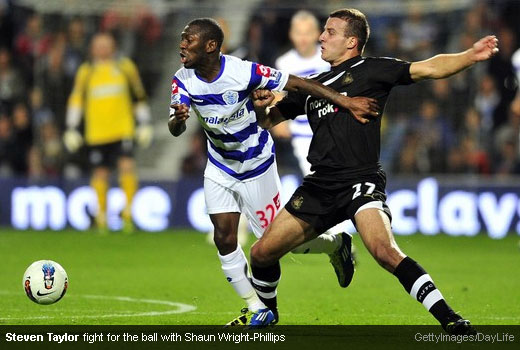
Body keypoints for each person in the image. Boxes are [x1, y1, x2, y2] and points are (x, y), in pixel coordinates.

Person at [249, 8, 498, 332]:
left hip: (359, 180)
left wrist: (469, 55)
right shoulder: (314, 86)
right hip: (319, 185)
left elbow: (429, 68)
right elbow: (269, 120)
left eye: (330, 32)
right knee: (260, 254)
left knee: (384, 251)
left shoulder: (373, 70)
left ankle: (450, 320)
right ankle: (268, 318)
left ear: (352, 41)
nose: (321, 38)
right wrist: (260, 105)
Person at [168, 18, 377, 326]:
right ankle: (258, 309)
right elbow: (175, 127)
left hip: (257, 166)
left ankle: (336, 244)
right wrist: (179, 119)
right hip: (220, 166)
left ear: (210, 46)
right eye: (182, 39)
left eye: (189, 40)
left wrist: (345, 101)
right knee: (224, 238)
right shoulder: (182, 79)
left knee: (271, 244)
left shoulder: (243, 71)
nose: (182, 45)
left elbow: (299, 84)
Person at [274, 10, 357, 263]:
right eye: (297, 32)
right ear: (291, 35)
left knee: (342, 174)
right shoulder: (284, 63)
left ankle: (344, 229)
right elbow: (279, 95)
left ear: (317, 34)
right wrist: (277, 120)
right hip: (302, 135)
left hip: (332, 128)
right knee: (319, 178)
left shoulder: (327, 60)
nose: (302, 37)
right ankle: (340, 233)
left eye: (306, 32)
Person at [64, 32, 153, 233]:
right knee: (100, 173)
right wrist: (71, 127)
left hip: (122, 129)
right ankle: (102, 219)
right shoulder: (86, 72)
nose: (103, 49)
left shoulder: (125, 67)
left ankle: (128, 216)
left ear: (113, 47)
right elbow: (76, 100)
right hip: (97, 133)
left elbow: (138, 95)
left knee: (127, 167)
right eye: (99, 45)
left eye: (106, 45)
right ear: (92, 48)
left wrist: (145, 122)